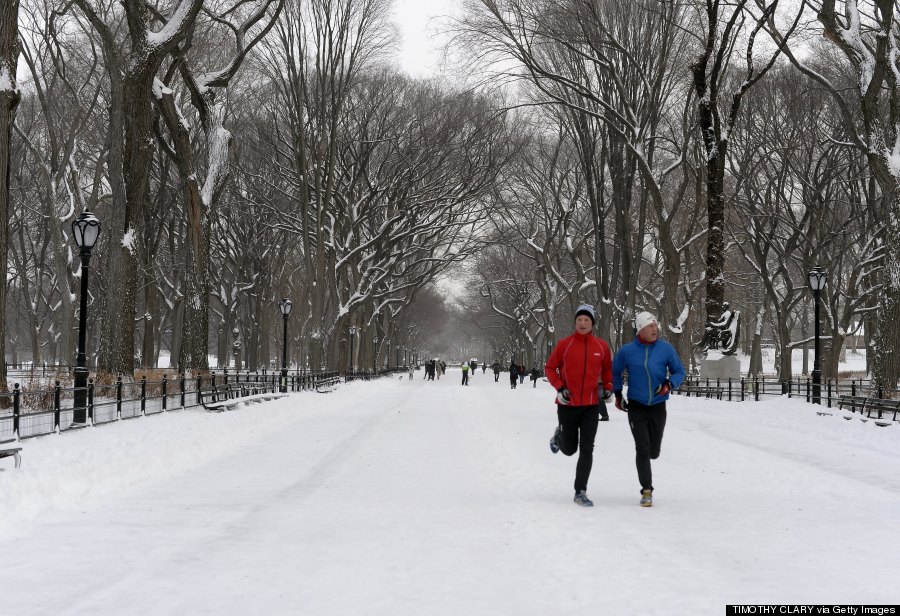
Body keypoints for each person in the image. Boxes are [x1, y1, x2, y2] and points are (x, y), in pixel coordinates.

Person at [613, 311, 685, 508]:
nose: (655, 329)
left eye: (655, 326)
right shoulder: (627, 351)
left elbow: (680, 371)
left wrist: (669, 384)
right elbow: (615, 371)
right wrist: (618, 394)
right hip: (636, 406)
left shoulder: (665, 349)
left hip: (658, 406)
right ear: (640, 330)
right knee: (642, 449)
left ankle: (651, 463)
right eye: (650, 326)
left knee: (654, 452)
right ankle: (647, 490)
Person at [545, 304, 613, 507]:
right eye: (579, 320)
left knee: (587, 449)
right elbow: (550, 367)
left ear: (592, 323)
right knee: (569, 450)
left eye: (587, 320)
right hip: (567, 404)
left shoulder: (601, 347)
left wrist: (608, 388)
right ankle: (559, 437)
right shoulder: (564, 345)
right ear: (575, 322)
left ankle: (580, 491)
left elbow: (607, 372)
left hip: (591, 405)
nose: (583, 323)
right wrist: (559, 387)